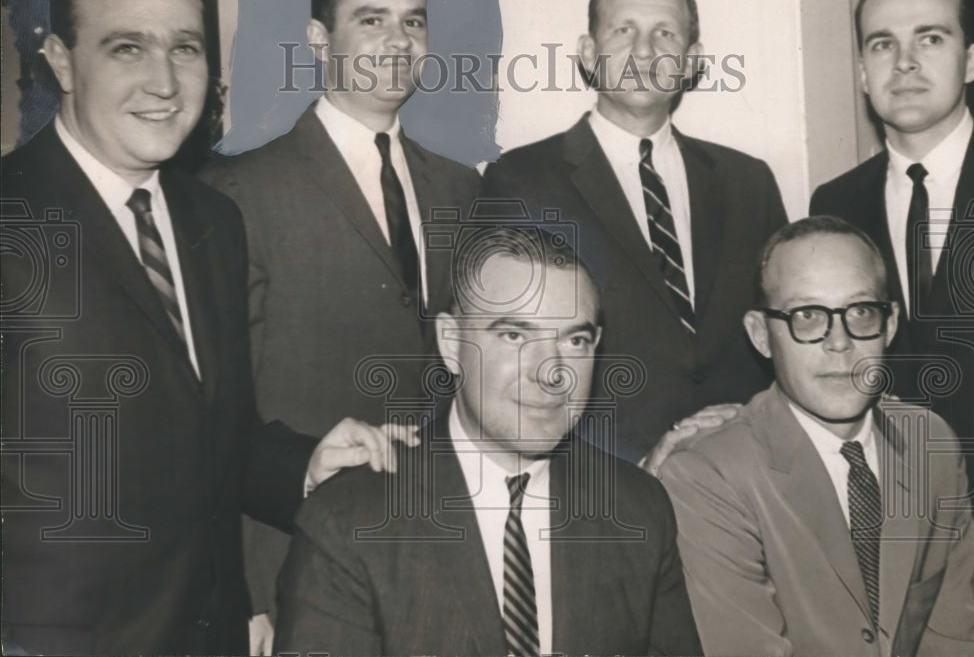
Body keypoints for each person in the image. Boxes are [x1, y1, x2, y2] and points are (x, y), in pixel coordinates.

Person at [0, 0, 415, 656]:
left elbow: (211, 434)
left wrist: (308, 461)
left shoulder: (212, 219)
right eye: (127, 47)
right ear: (62, 60)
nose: (164, 81)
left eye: (185, 47)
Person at [200, 0, 481, 647]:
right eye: (372, 19)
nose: (397, 41)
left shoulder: (462, 189)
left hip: (439, 556)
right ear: (320, 39)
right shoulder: (237, 193)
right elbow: (218, 419)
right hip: (294, 566)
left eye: (413, 22)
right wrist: (246, 592)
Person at [273, 226, 703, 656]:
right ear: (452, 342)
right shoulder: (349, 522)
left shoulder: (639, 510)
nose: (551, 373)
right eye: (515, 336)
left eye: (574, 341)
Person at [481, 0, 787, 463]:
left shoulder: (749, 181)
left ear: (692, 60)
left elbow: (784, 334)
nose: (644, 50)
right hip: (598, 491)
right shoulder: (522, 180)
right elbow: (499, 364)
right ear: (588, 52)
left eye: (665, 34)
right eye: (624, 30)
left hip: (747, 477)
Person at [656, 216, 974, 656]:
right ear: (761, 334)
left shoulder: (930, 443)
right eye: (808, 316)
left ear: (890, 324)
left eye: (860, 312)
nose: (839, 342)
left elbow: (965, 638)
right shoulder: (708, 476)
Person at [810, 0, 974, 589]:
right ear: (863, 72)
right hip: (892, 543)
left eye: (932, 38)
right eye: (883, 44)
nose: (906, 62)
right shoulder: (833, 205)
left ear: (972, 61)